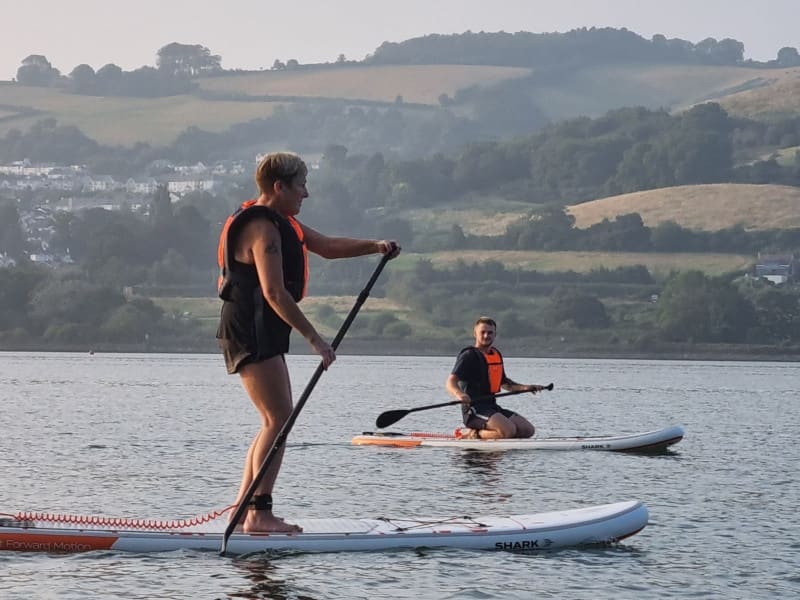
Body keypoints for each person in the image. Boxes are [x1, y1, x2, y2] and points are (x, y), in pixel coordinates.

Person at [216, 151, 400, 533]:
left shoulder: (281, 222)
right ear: (279, 186)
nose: (307, 193)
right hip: (251, 328)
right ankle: (259, 514)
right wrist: (316, 340)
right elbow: (274, 292)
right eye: (301, 185)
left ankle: (244, 507)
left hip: (257, 326)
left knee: (274, 420)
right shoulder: (262, 229)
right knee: (278, 420)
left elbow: (328, 246)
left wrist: (377, 246)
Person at [445, 316, 547, 440]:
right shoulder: (468, 356)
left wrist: (526, 387)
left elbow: (505, 383)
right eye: (482, 332)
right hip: (474, 409)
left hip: (491, 407)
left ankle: (489, 432)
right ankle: (473, 434)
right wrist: (460, 395)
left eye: (490, 332)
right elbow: (450, 382)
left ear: (495, 335)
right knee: (509, 430)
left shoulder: (496, 354)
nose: (486, 335)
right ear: (475, 333)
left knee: (527, 430)